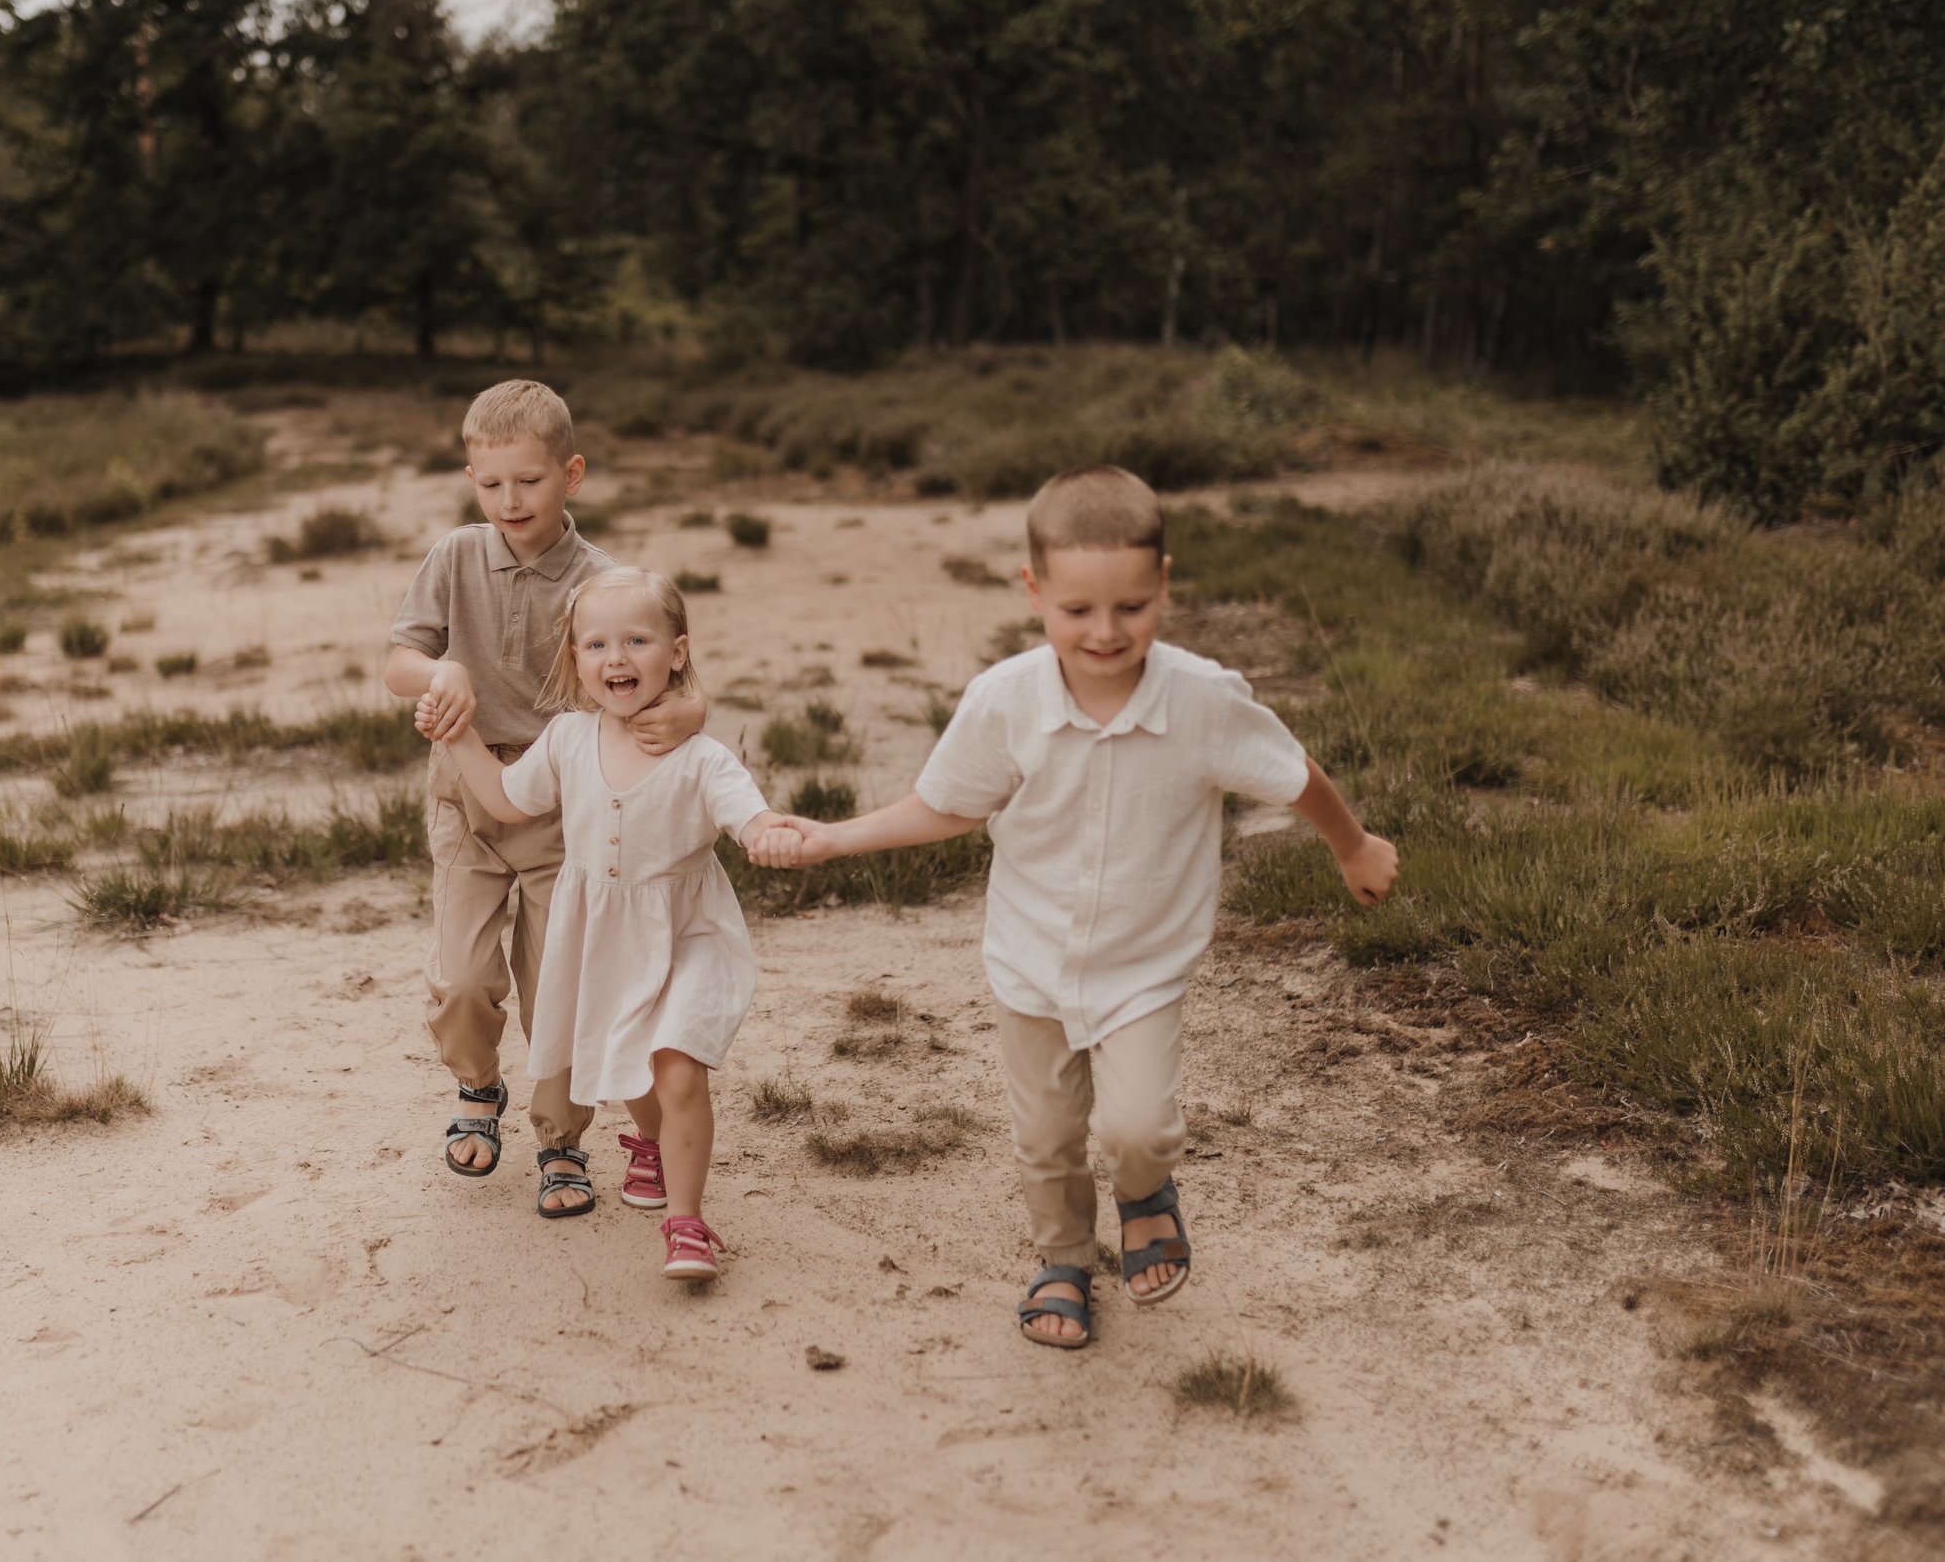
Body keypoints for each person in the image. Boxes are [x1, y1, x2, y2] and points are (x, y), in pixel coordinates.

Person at [755, 465, 1398, 1347]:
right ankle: (1062, 1257)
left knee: (1138, 1127)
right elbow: (948, 805)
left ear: (1163, 582)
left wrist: (1352, 845)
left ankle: (1145, 1193)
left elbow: (1294, 775)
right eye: (1077, 609)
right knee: (1048, 1135)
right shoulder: (1005, 701)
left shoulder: (1203, 699)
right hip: (1031, 959)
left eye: (1131, 606)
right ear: (1034, 591)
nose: (1105, 631)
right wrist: (834, 837)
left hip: (1144, 963)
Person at [387, 381, 705, 1219]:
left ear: (572, 473)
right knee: (462, 977)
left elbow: (661, 667)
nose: (510, 500)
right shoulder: (455, 556)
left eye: (529, 480)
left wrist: (692, 710)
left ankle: (562, 1140)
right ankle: (478, 1085)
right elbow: (398, 663)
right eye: (491, 484)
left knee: (555, 986)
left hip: (564, 808)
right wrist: (440, 672)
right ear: (471, 479)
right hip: (466, 795)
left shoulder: (601, 580)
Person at [433, 566, 795, 1281]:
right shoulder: (568, 738)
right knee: (630, 1065)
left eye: (637, 641)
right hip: (608, 940)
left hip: (689, 935)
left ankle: (686, 1224)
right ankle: (651, 1142)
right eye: (596, 644)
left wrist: (768, 832)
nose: (616, 658)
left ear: (678, 651)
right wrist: (459, 735)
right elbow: (506, 799)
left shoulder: (701, 756)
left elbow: (747, 812)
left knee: (678, 1068)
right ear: (575, 659)